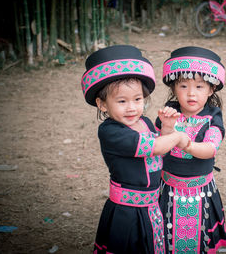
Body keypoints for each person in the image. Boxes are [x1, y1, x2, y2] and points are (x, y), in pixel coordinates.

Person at [81, 45, 190, 253]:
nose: (132, 107)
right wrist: (177, 135)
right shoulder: (111, 132)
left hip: (151, 206)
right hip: (126, 211)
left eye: (137, 99)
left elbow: (161, 152)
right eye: (122, 101)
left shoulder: (146, 123)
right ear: (102, 104)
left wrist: (167, 127)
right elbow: (156, 147)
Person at [155, 46, 226, 253]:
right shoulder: (169, 112)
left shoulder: (213, 117)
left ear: (211, 89)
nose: (191, 93)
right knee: (166, 239)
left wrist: (185, 143)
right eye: (184, 86)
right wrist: (167, 127)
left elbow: (210, 149)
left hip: (201, 193)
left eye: (199, 87)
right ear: (174, 88)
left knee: (201, 239)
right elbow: (158, 149)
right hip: (168, 190)